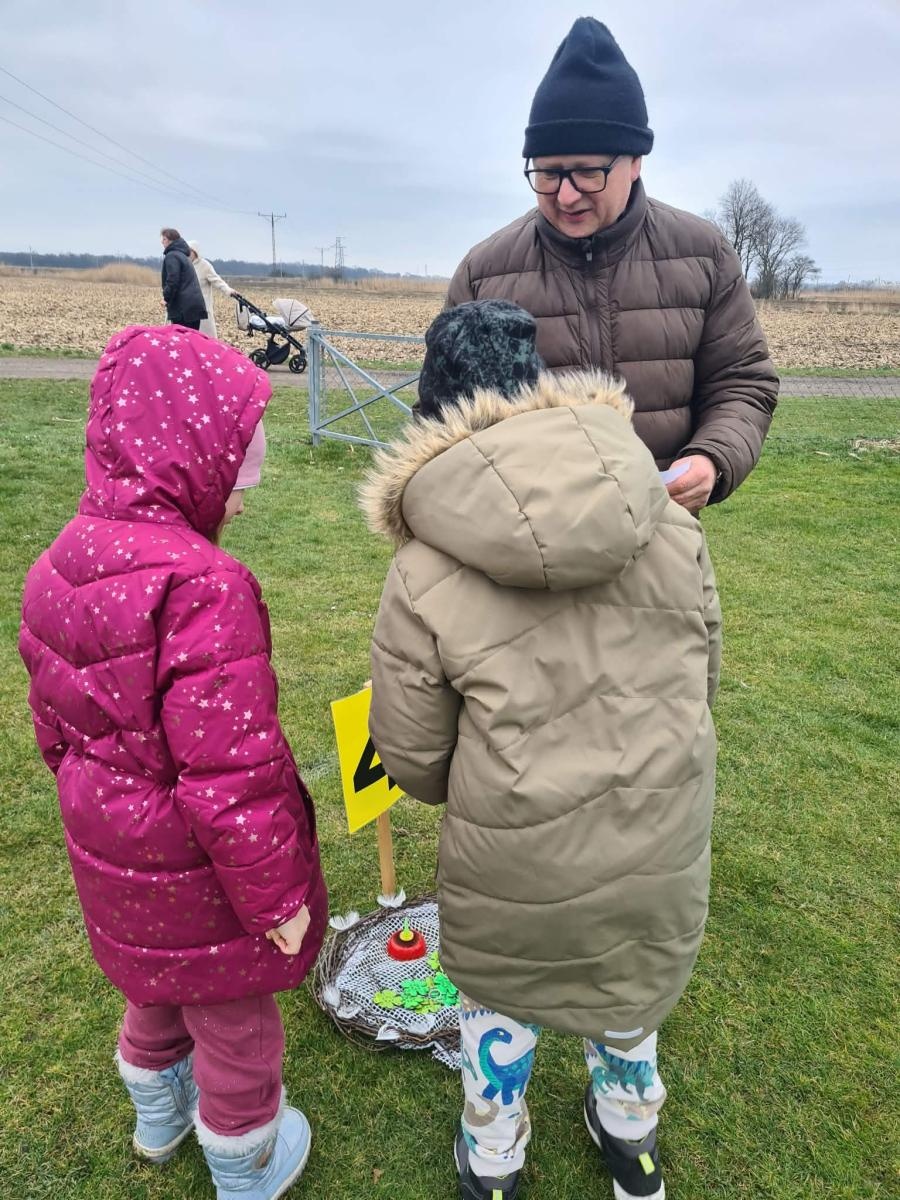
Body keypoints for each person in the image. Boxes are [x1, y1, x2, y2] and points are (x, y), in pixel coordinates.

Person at [363, 300, 721, 1200]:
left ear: (434, 413)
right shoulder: (669, 522)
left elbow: (410, 755)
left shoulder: (420, 567)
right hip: (656, 825)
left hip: (514, 850)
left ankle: (493, 1156)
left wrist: (493, 782)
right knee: (628, 984)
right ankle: (631, 1137)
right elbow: (699, 683)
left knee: (503, 999)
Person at [19, 325, 328, 1200]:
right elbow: (230, 774)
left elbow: (50, 722)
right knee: (235, 1022)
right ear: (187, 450)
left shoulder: (58, 560)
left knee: (152, 983)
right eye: (233, 462)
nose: (240, 491)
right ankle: (246, 1162)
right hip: (199, 870)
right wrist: (276, 901)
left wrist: (94, 803)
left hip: (109, 847)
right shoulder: (203, 585)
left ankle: (156, 1117)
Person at [446, 17, 778, 514]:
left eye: (587, 172)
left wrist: (712, 457)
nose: (566, 194)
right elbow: (439, 418)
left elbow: (743, 381)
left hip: (659, 542)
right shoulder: (484, 272)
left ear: (636, 161)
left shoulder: (703, 254)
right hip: (522, 554)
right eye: (548, 173)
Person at [160, 227, 207, 330]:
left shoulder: (172, 256)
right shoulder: (183, 256)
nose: (161, 242)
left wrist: (166, 298)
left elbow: (172, 280)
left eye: (164, 239)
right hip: (193, 307)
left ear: (170, 240)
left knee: (181, 342)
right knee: (191, 341)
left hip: (183, 310)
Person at [188, 239, 237, 338]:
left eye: (190, 251)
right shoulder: (185, 265)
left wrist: (228, 290)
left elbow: (217, 280)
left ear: (195, 252)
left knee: (207, 336)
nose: (187, 254)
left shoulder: (204, 265)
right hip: (188, 306)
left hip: (203, 306)